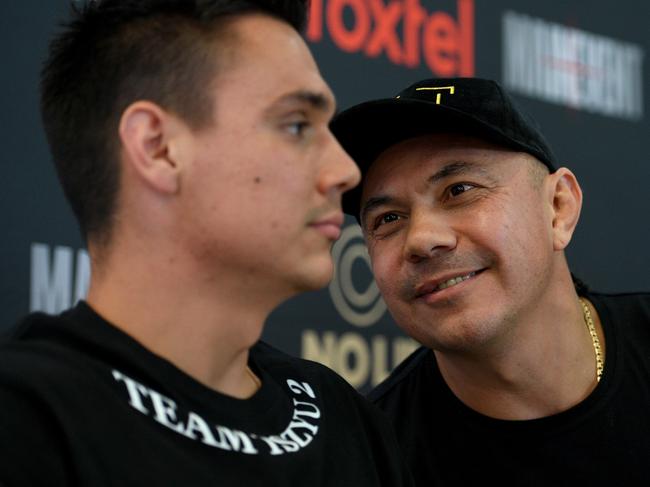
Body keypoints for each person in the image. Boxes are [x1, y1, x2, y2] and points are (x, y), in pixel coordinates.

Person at [0, 1, 414, 485]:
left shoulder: (346, 417)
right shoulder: (25, 420)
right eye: (297, 125)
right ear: (158, 149)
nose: (345, 173)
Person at [330, 76, 650, 486]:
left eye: (459, 190)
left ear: (558, 208)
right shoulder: (373, 464)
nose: (423, 240)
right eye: (388, 219)